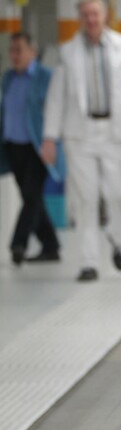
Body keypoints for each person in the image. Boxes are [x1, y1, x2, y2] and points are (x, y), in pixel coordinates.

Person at [41, 0, 121, 282]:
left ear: (105, 16)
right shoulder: (67, 51)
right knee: (85, 199)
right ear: (80, 18)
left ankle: (118, 240)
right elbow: (56, 97)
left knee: (118, 194)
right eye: (86, 14)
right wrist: (50, 137)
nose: (91, 19)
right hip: (80, 133)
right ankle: (88, 261)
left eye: (95, 14)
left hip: (115, 131)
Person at [1, 32, 61, 266]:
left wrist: (52, 141)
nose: (15, 55)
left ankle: (18, 244)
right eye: (12, 50)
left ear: (32, 52)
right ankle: (51, 245)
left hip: (39, 147)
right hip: (13, 147)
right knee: (30, 197)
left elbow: (54, 110)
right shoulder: (8, 78)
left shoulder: (46, 77)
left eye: (19, 50)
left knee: (31, 196)